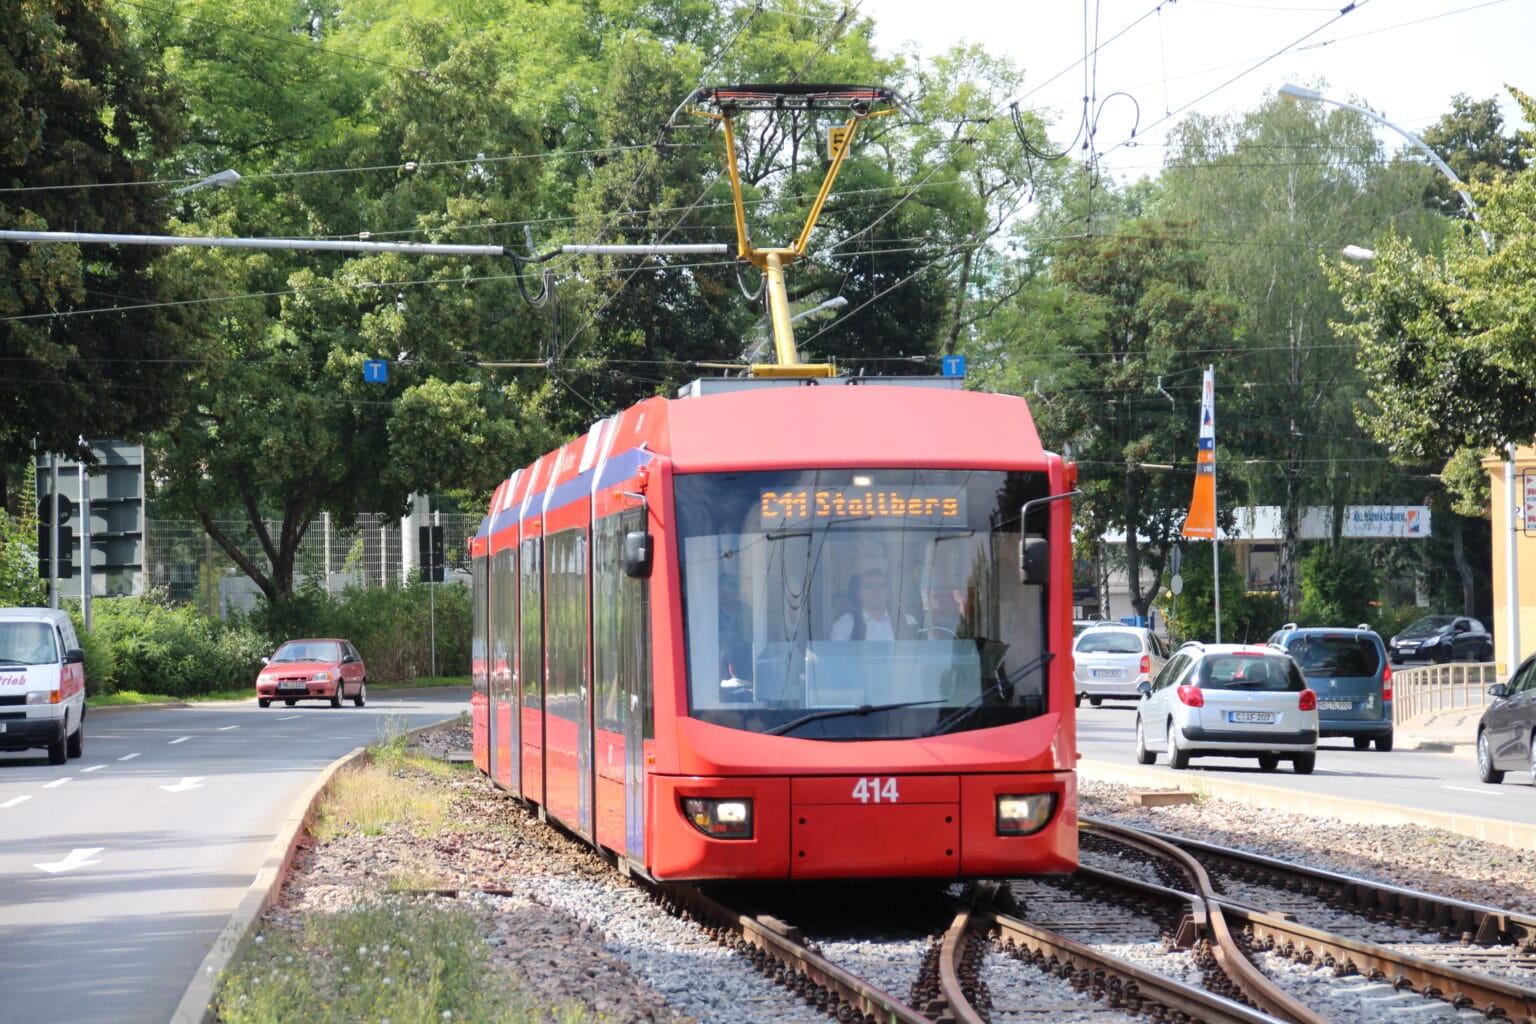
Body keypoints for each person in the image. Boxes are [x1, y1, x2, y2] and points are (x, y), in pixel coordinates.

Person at [829, 569, 915, 641]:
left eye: (881, 586)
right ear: (860, 593)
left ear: (888, 592)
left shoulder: (906, 621)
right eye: (869, 586)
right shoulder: (846, 623)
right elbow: (837, 657)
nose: (876, 591)